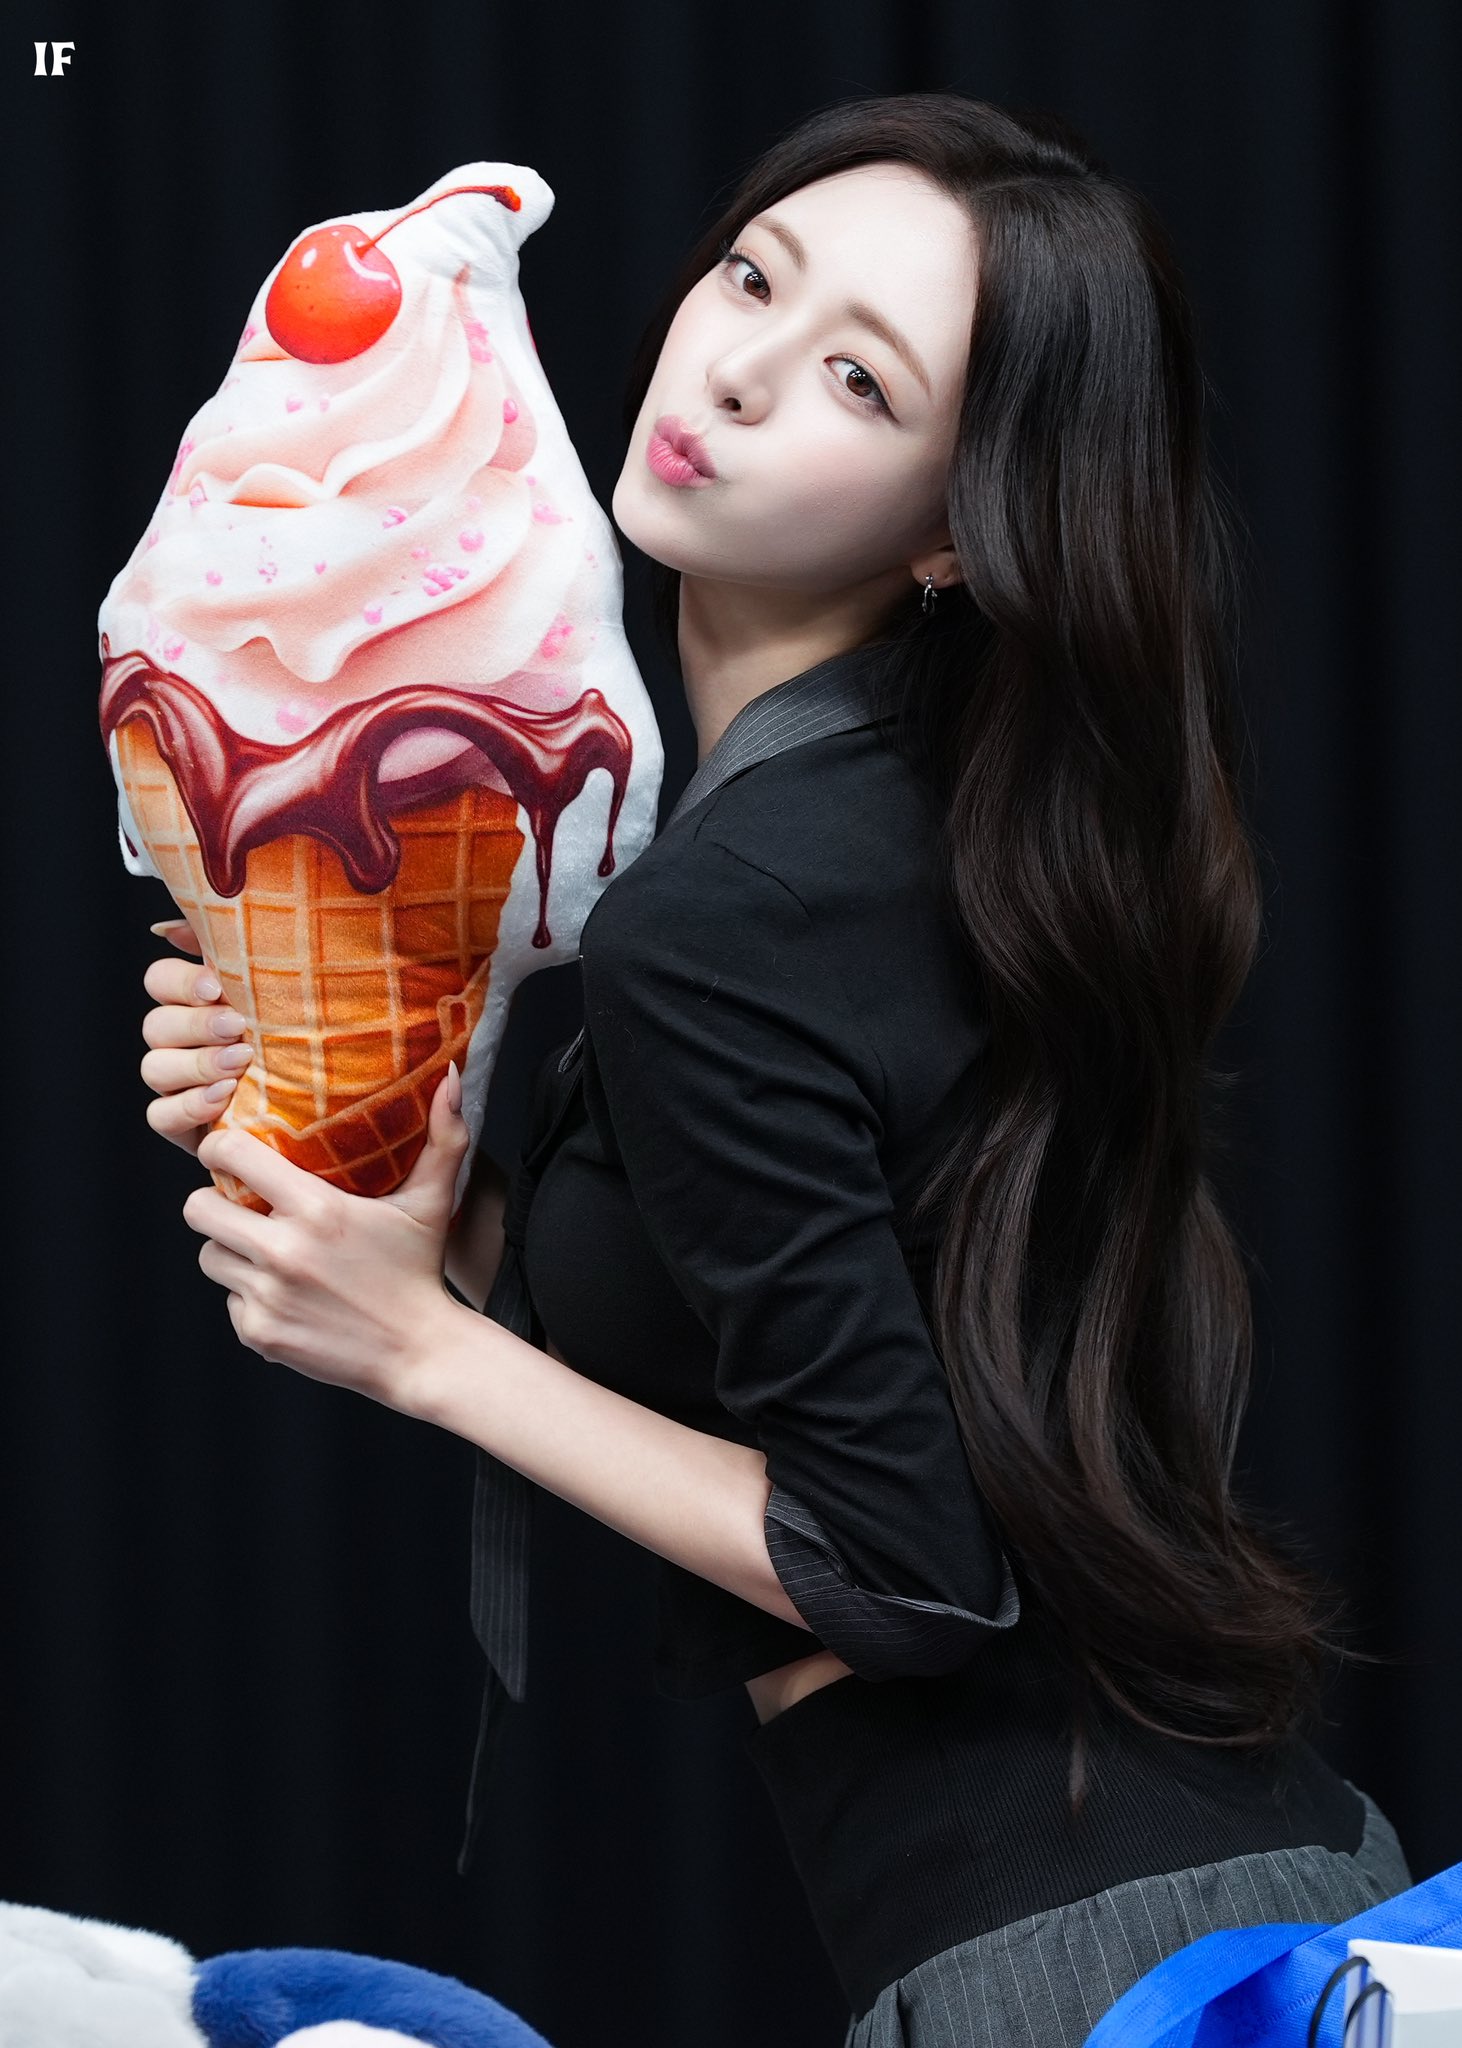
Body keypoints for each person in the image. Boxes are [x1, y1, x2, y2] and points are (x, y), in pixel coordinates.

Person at [135, 93, 1412, 2048]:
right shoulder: (922, 831)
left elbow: (903, 1570)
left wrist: (415, 1346)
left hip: (1075, 1968)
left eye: (855, 376)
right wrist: (414, 1200)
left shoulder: (732, 906)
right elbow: (801, 1322)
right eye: (751, 278)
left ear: (953, 530)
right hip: (1266, 1887)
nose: (734, 369)